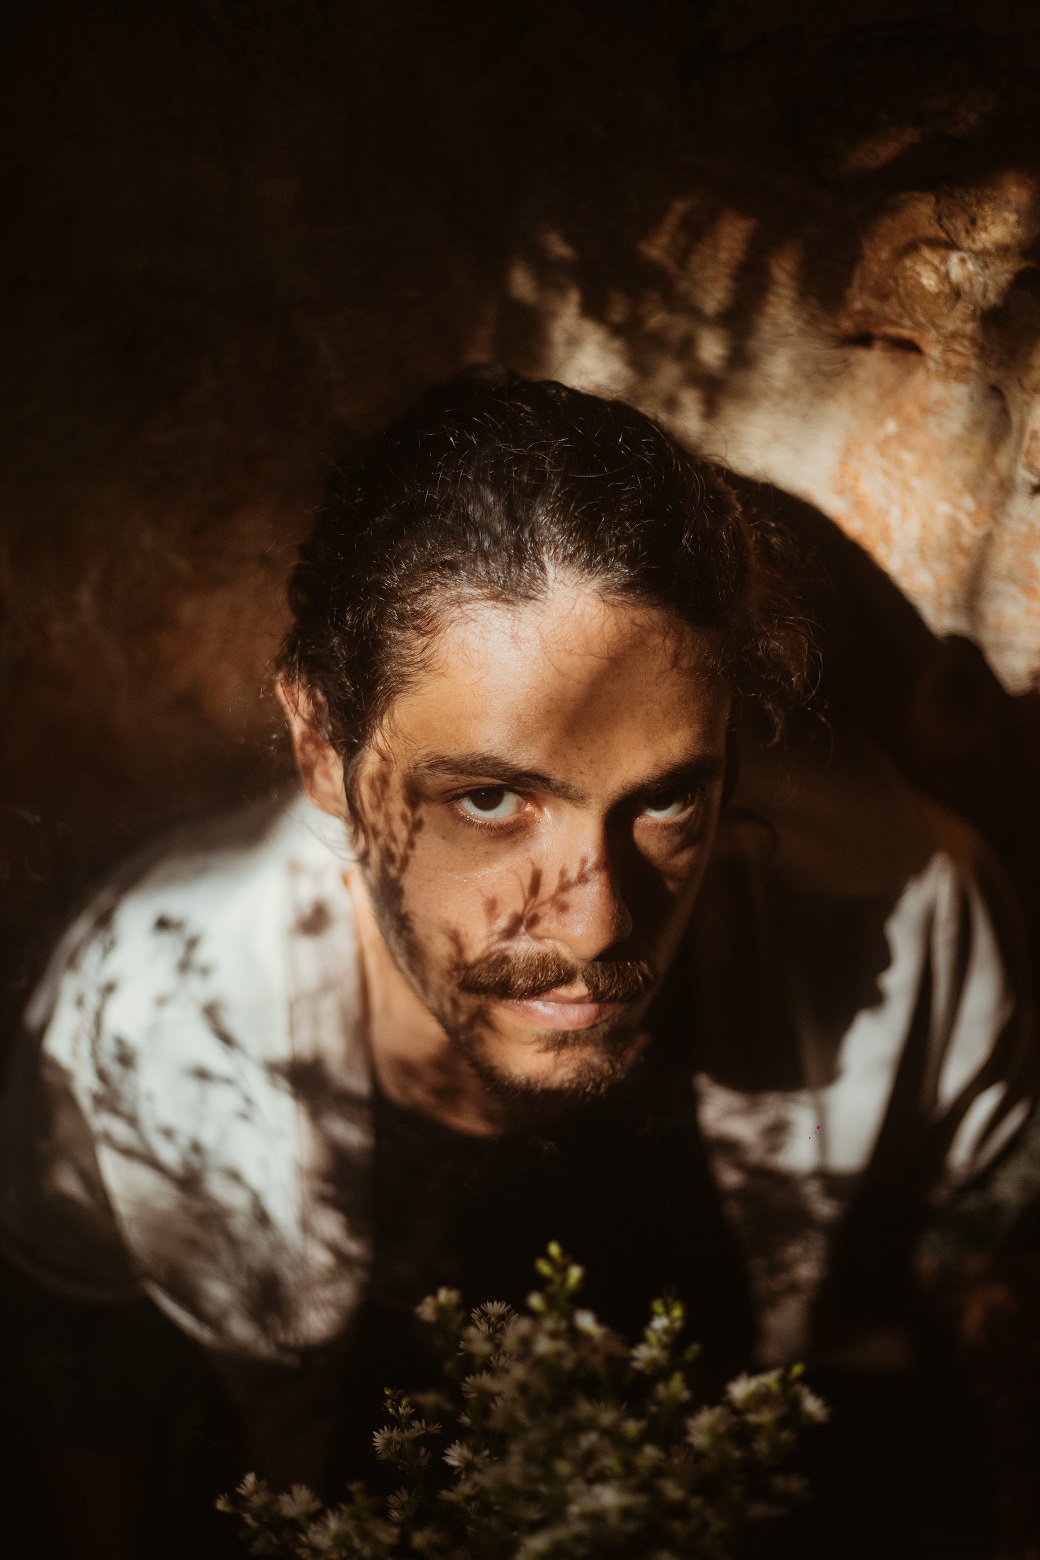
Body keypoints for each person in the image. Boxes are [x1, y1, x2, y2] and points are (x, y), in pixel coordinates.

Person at [0, 372, 1033, 1556]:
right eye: (489, 800)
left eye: (666, 801)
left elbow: (996, 1251)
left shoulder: (896, 907)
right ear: (321, 747)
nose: (594, 927)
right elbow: (86, 1365)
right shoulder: (148, 1017)